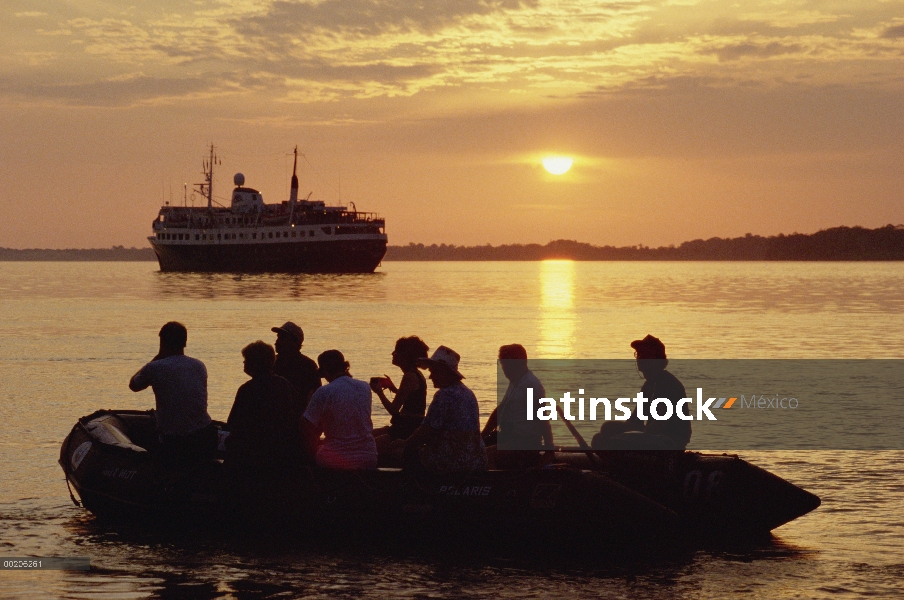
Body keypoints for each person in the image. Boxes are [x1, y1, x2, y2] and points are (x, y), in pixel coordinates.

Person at [129, 321, 216, 466]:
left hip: (175, 441)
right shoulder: (199, 365)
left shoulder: (155, 367)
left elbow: (134, 385)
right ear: (185, 343)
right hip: (205, 434)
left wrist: (157, 357)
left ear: (162, 342)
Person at [592, 335, 691, 450]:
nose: (639, 359)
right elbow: (636, 420)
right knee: (601, 437)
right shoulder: (648, 386)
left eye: (644, 355)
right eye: (638, 355)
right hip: (652, 437)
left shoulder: (667, 384)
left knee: (607, 429)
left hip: (670, 442)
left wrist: (624, 433)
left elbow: (659, 426)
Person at [404, 346, 487, 472]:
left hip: (451, 463)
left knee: (397, 452)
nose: (430, 377)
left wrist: (406, 444)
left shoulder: (444, 395)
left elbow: (426, 431)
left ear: (444, 372)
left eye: (434, 372)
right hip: (475, 460)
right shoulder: (468, 393)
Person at [225, 341, 299, 474]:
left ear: (255, 363)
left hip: (255, 452)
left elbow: (233, 423)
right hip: (282, 448)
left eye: (246, 360)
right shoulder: (284, 384)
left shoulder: (247, 389)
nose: (244, 363)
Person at [301, 350, 378, 470]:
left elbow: (306, 426)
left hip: (334, 460)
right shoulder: (365, 387)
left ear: (324, 371)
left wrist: (309, 402)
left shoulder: (324, 392)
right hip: (368, 457)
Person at [481, 344, 553, 469]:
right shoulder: (515, 382)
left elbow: (542, 418)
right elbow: (500, 411)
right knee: (476, 447)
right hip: (509, 437)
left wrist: (549, 449)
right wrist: (481, 436)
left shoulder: (530, 384)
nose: (504, 369)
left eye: (506, 365)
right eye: (502, 364)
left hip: (524, 443)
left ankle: (493, 485)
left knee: (486, 454)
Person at [371, 336, 429, 441]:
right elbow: (411, 398)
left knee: (367, 440)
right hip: (408, 426)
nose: (392, 353)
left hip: (405, 430)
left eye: (396, 351)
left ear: (406, 356)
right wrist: (393, 388)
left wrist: (379, 392)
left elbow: (393, 410)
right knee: (367, 435)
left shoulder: (409, 376)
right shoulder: (416, 374)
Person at [271, 321, 321, 420]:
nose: (276, 342)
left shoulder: (307, 365)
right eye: (278, 337)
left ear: (294, 342)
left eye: (282, 338)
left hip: (297, 422)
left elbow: (314, 397)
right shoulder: (272, 363)